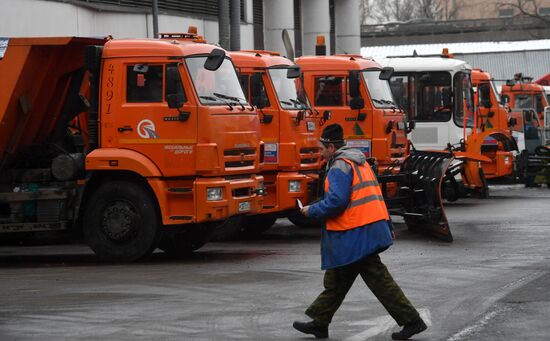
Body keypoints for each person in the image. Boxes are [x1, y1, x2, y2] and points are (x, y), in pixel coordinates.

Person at [292, 123, 427, 340]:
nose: (320, 153)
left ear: (331, 148)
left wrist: (311, 211)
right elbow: (375, 197)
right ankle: (320, 322)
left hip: (356, 233)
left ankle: (412, 321)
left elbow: (336, 201)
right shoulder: (359, 163)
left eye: (322, 149)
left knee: (377, 280)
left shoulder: (339, 166)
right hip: (368, 228)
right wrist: (388, 224)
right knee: (337, 278)